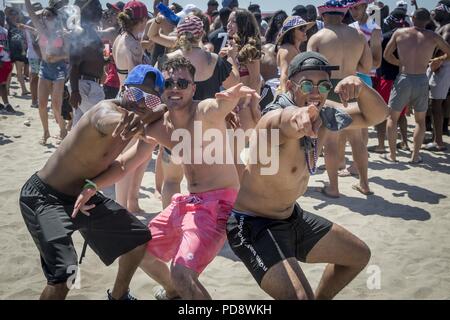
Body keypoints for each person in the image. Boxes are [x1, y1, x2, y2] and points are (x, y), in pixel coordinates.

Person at [73, 57, 259, 299]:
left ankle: (178, 287)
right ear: (161, 90)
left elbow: (216, 107)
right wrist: (92, 185)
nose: (175, 88)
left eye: (183, 83)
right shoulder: (158, 126)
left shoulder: (203, 112)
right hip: (190, 203)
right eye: (170, 83)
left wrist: (231, 99)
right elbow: (126, 162)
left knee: (182, 274)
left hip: (219, 205)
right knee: (137, 248)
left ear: (193, 88)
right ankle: (173, 292)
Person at [227, 52, 389, 300]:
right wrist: (298, 117)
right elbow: (280, 121)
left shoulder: (324, 114)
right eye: (306, 84)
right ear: (291, 85)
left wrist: (362, 88)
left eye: (324, 85)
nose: (316, 91)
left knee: (358, 256)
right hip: (252, 223)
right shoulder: (275, 114)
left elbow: (377, 116)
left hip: (291, 217)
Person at [19, 65, 166, 300]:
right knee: (65, 273)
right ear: (122, 88)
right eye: (135, 94)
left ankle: (118, 296)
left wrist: (161, 109)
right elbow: (107, 119)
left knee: (138, 239)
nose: (139, 103)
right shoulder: (106, 111)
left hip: (83, 195)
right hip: (44, 197)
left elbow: (127, 161)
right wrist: (135, 119)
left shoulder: (143, 119)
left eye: (148, 100)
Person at [308, 0, 372, 197]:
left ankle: (333, 187)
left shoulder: (318, 37)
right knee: (357, 140)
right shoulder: (359, 36)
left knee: (331, 142)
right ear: (344, 15)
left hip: (329, 89)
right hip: (353, 87)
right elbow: (367, 67)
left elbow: (309, 70)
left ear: (323, 16)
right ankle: (364, 184)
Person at [384, 8, 450, 163]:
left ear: (412, 18)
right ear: (427, 21)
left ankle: (393, 155)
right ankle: (414, 156)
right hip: (421, 79)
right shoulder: (433, 36)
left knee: (392, 118)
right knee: (420, 121)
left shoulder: (400, 33)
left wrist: (400, 62)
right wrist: (439, 59)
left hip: (404, 78)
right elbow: (449, 52)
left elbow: (387, 55)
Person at [113, 0, 152, 214]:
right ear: (143, 20)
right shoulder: (132, 44)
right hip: (135, 103)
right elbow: (140, 79)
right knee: (129, 161)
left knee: (139, 157)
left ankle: (132, 204)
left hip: (126, 99)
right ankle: (122, 209)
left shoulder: (122, 38)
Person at [25, 0, 70, 145]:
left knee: (56, 106)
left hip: (59, 69)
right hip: (44, 68)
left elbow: (68, 55)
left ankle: (63, 130)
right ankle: (46, 132)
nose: (44, 18)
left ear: (55, 18)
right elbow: (31, 13)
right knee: (42, 104)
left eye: (48, 16)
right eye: (43, 16)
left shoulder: (62, 33)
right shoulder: (41, 30)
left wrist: (57, 57)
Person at [69, 0, 106, 127]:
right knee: (97, 123)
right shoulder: (80, 33)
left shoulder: (90, 32)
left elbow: (89, 59)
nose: (99, 9)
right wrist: (74, 91)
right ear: (85, 11)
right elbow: (74, 64)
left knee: (79, 127)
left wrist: (104, 61)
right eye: (95, 6)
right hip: (83, 86)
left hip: (87, 85)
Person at [425, 1, 450, 151]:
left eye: (438, 9)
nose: (435, 11)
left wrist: (434, 64)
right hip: (439, 67)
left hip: (441, 68)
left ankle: (438, 141)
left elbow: (445, 50)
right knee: (434, 104)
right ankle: (436, 137)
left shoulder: (447, 26)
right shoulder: (443, 25)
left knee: (436, 105)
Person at [276, 16, 315, 93]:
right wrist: (284, 97)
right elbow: (284, 75)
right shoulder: (287, 49)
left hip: (294, 91)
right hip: (288, 92)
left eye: (305, 28)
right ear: (292, 32)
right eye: (301, 28)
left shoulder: (292, 48)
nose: (305, 31)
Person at [6, 7, 29, 96]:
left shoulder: (20, 25)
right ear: (9, 15)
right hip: (9, 51)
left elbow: (23, 39)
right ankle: (7, 90)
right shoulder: (6, 25)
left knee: (20, 71)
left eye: (15, 14)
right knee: (9, 72)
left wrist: (24, 49)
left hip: (19, 51)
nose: (14, 15)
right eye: (12, 14)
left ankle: (24, 90)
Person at [0, 10, 14, 113]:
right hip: (2, 60)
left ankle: (5, 104)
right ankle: (6, 104)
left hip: (6, 61)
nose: (2, 18)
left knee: (3, 84)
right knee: (2, 84)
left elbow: (8, 46)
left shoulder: (5, 30)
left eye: (2, 16)